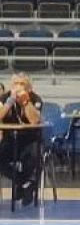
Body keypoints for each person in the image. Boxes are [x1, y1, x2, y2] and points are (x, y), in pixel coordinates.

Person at [0, 72, 44, 205]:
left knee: (34, 155)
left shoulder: (35, 99)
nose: (18, 87)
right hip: (10, 139)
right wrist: (9, 102)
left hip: (30, 140)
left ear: (29, 88)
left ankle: (25, 186)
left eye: (22, 84)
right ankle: (23, 182)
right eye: (15, 84)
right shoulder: (4, 98)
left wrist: (25, 102)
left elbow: (35, 120)